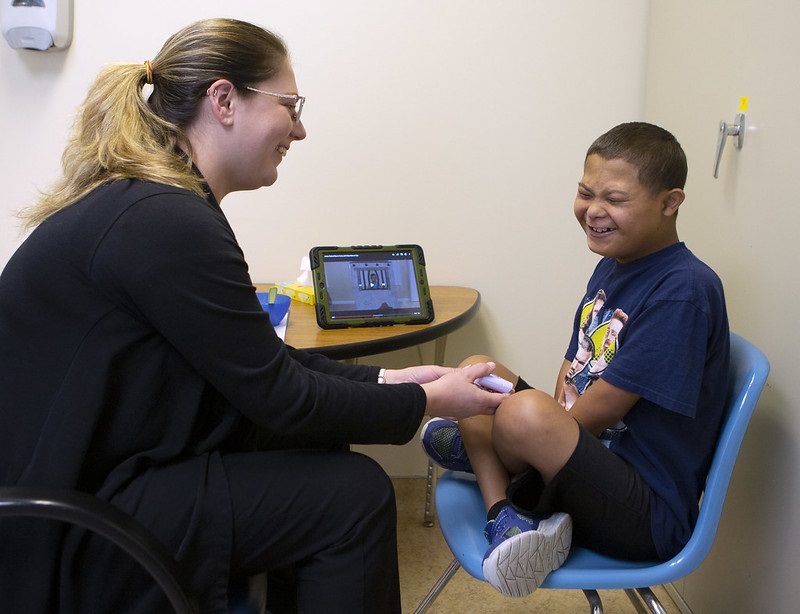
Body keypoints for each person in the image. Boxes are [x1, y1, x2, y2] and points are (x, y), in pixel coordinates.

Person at [0, 18, 508, 614]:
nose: (300, 129)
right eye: (289, 106)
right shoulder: (165, 221)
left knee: (321, 451)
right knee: (354, 496)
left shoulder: (156, 204)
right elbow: (281, 396)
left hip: (96, 473)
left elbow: (261, 366)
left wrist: (394, 380)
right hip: (71, 522)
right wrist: (431, 402)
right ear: (223, 100)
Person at [422, 122, 730, 598]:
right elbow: (574, 371)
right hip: (592, 464)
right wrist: (542, 429)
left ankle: (498, 460)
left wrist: (531, 430)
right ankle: (502, 511)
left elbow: (602, 408)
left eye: (615, 199)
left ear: (670, 202)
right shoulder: (613, 263)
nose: (593, 211)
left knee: (520, 414)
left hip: (644, 511)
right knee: (478, 371)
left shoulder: (683, 291)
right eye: (585, 193)